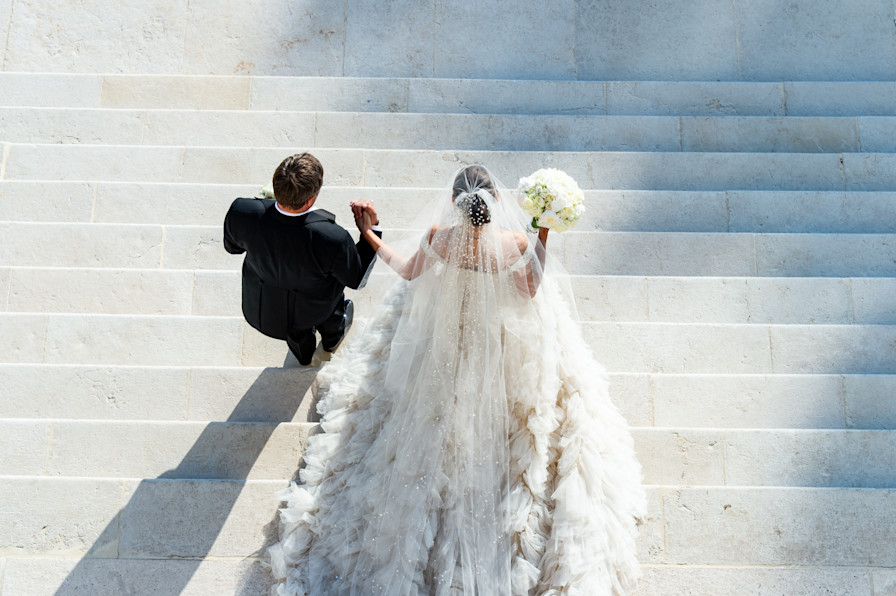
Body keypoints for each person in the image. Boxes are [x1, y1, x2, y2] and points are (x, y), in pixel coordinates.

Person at [269, 165, 646, 595]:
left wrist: (369, 234)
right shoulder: (515, 242)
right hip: (497, 344)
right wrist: (543, 230)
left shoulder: (439, 237)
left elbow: (407, 270)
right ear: (495, 201)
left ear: (453, 203)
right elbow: (529, 289)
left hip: (445, 341)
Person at [223, 153, 381, 365]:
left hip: (261, 308)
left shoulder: (242, 211)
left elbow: (232, 248)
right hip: (313, 312)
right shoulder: (333, 237)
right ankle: (332, 339)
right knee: (333, 291)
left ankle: (304, 356)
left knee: (300, 333)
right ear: (310, 200)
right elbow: (357, 279)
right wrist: (371, 230)